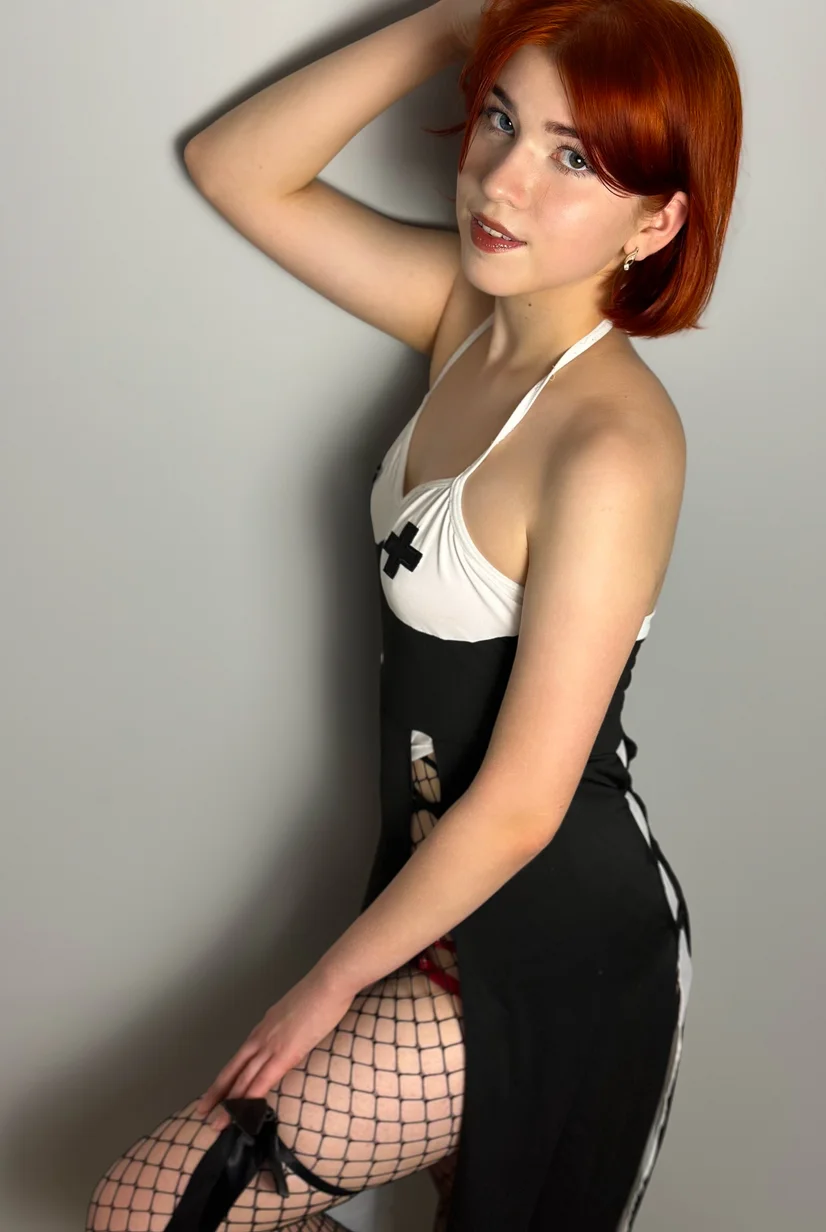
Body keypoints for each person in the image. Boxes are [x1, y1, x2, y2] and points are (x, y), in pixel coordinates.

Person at [85, 0, 742, 1228]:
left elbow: (528, 798)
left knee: (145, 1210)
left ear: (655, 220)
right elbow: (235, 168)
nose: (501, 178)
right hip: (431, 890)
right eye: (500, 119)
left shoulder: (612, 442)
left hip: (554, 935)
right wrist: (452, 24)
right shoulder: (465, 319)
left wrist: (327, 983)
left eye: (572, 158)